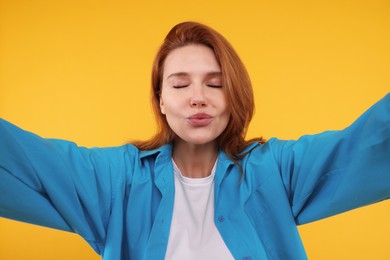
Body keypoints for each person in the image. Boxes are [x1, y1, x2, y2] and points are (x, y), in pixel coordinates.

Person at [0, 21, 389, 260]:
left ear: (233, 95)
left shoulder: (273, 169)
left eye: (215, 84)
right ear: (161, 101)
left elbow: (363, 148)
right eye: (180, 84)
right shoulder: (118, 179)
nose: (198, 97)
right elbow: (23, 162)